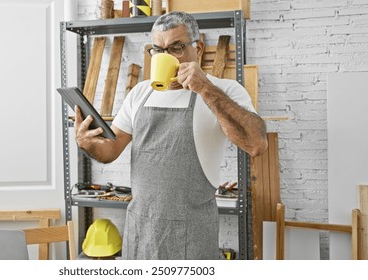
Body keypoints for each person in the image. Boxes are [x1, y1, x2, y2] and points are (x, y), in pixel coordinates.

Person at [74, 11, 268, 260]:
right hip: (141, 232)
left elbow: (256, 144)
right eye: (158, 50)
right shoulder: (140, 92)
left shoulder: (225, 90)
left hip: (193, 236)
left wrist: (205, 88)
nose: (166, 57)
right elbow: (110, 150)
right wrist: (86, 143)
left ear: (198, 49)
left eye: (176, 48)